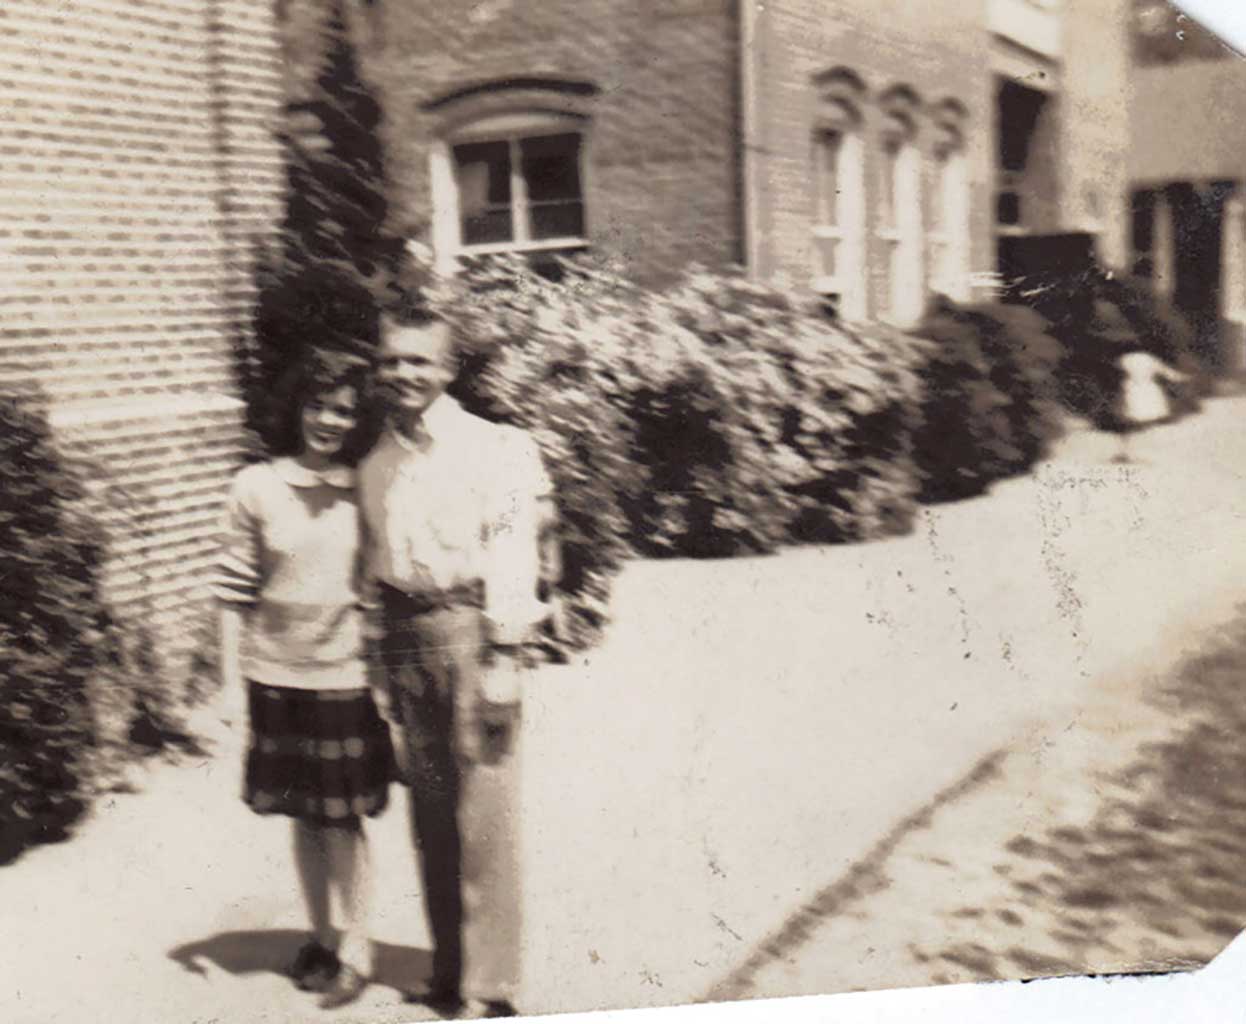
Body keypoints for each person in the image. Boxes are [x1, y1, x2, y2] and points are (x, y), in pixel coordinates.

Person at [358, 299, 555, 1020]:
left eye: (418, 359)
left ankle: (490, 987)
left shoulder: (494, 447)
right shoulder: (376, 461)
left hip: (472, 634)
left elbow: (513, 553)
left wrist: (505, 655)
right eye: (390, 360)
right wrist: (380, 662)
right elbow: (376, 568)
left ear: (448, 367)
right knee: (432, 816)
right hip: (406, 637)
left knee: (485, 816)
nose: (402, 373)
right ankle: (449, 972)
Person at [214, 348, 395, 1009]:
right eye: (318, 406)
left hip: (342, 673)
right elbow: (231, 591)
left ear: (357, 419)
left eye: (343, 411)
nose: (329, 421)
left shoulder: (366, 488)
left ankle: (359, 950)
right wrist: (231, 684)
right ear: (296, 408)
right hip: (274, 675)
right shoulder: (254, 486)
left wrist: (384, 676)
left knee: (342, 819)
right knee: (303, 813)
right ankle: (321, 937)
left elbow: (379, 587)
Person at [1111, 346, 1189, 463]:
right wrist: (1183, 378)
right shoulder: (1150, 359)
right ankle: (1135, 453)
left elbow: (1116, 375)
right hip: (1147, 392)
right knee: (1144, 423)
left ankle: (1126, 451)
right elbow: (1168, 374)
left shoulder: (1124, 359)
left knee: (1130, 423)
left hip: (1131, 389)